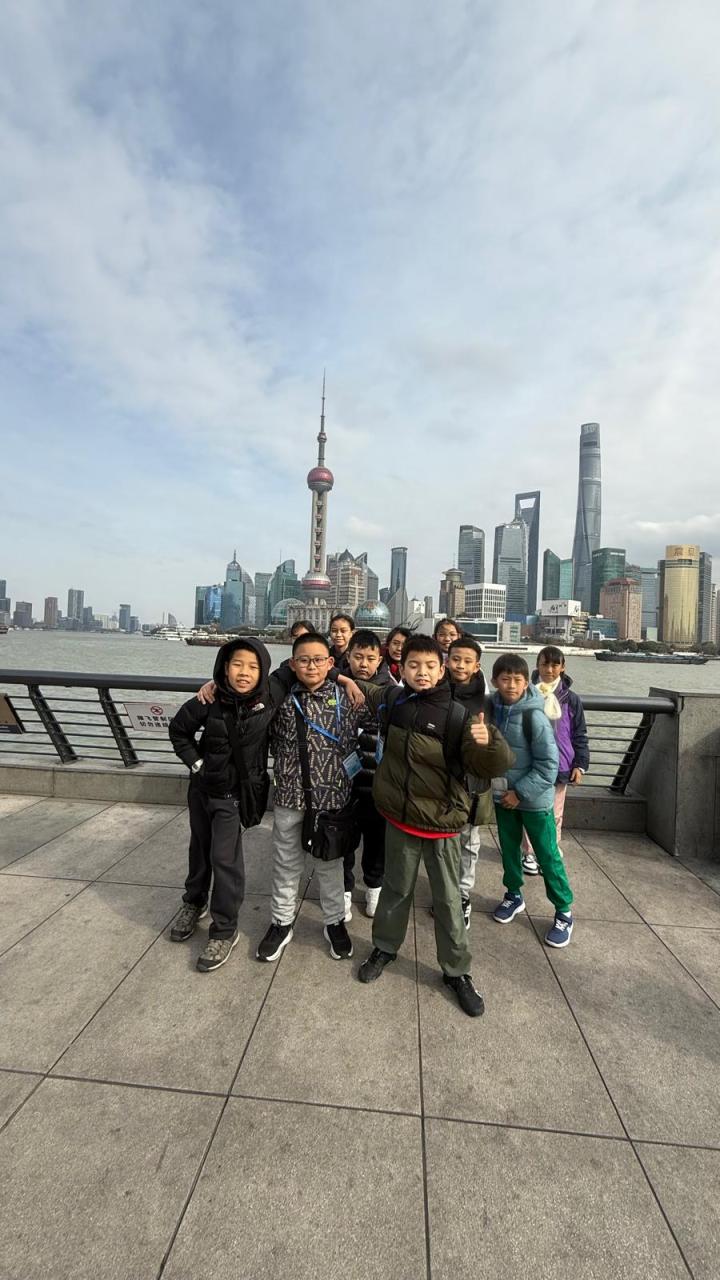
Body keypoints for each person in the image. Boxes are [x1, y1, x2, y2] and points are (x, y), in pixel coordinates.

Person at [354, 634, 514, 1017]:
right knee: (395, 891)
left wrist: (490, 741)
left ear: (442, 670)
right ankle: (385, 948)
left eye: (429, 666)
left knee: (447, 900)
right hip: (401, 819)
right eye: (413, 665)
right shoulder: (395, 701)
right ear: (402, 669)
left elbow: (493, 765)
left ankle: (456, 971)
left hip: (442, 824)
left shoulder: (458, 716)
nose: (421, 673)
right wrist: (340, 677)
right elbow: (366, 688)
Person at [256, 631, 368, 963]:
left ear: (331, 662)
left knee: (331, 865)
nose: (311, 666)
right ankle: (281, 922)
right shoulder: (279, 698)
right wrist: (212, 686)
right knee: (286, 864)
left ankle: (334, 922)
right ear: (292, 664)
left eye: (319, 660)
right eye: (303, 660)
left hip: (333, 800)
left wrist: (345, 679)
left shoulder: (348, 697)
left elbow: (388, 706)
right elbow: (245, 699)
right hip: (290, 797)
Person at [168, 639, 279, 972]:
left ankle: (224, 930)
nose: (244, 672)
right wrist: (197, 765)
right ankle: (194, 902)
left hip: (232, 797)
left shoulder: (271, 698)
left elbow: (304, 665)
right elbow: (179, 730)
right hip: (202, 791)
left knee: (225, 860)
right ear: (224, 667)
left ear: (263, 670)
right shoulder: (209, 699)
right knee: (199, 850)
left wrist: (346, 681)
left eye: (253, 666)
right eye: (237, 664)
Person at [488, 654, 575, 948]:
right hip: (503, 796)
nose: (511, 685)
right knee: (509, 850)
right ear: (494, 681)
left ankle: (563, 910)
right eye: (505, 679)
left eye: (517, 680)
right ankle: (513, 894)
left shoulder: (533, 716)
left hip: (533, 800)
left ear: (527, 682)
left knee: (547, 855)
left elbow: (549, 765)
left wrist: (520, 793)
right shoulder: (492, 709)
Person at [342, 628, 397, 921]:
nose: (363, 663)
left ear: (380, 660)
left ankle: (374, 886)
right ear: (348, 656)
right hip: (343, 781)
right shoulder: (335, 684)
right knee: (344, 837)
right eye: (358, 656)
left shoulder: (391, 691)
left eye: (370, 658)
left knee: (377, 839)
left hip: (378, 780)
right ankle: (344, 889)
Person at [520, 646, 589, 874]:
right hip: (531, 763)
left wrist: (580, 764)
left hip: (561, 764)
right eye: (544, 664)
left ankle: (550, 849)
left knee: (555, 812)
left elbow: (579, 733)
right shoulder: (526, 694)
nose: (549, 670)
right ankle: (529, 852)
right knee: (532, 809)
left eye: (554, 665)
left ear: (562, 667)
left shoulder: (571, 699)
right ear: (537, 666)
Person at [445, 635, 490, 927]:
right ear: (447, 661)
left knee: (469, 842)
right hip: (440, 779)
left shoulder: (487, 701)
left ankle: (462, 895)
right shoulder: (435, 691)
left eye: (467, 661)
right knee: (444, 842)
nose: (460, 665)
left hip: (473, 782)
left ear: (477, 666)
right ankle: (446, 892)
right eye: (455, 659)